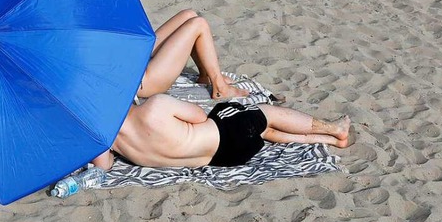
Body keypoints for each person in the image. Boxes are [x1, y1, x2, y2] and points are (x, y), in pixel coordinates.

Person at [92, 94, 351, 170]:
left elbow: (104, 167)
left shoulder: (106, 141)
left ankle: (324, 139)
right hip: (229, 136)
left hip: (223, 160)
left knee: (264, 130)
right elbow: (198, 116)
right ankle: (333, 129)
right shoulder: (154, 107)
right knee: (265, 113)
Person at [137, 9, 249, 100]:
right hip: (143, 80)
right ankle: (220, 87)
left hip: (137, 58)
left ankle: (205, 76)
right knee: (199, 24)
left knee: (189, 15)